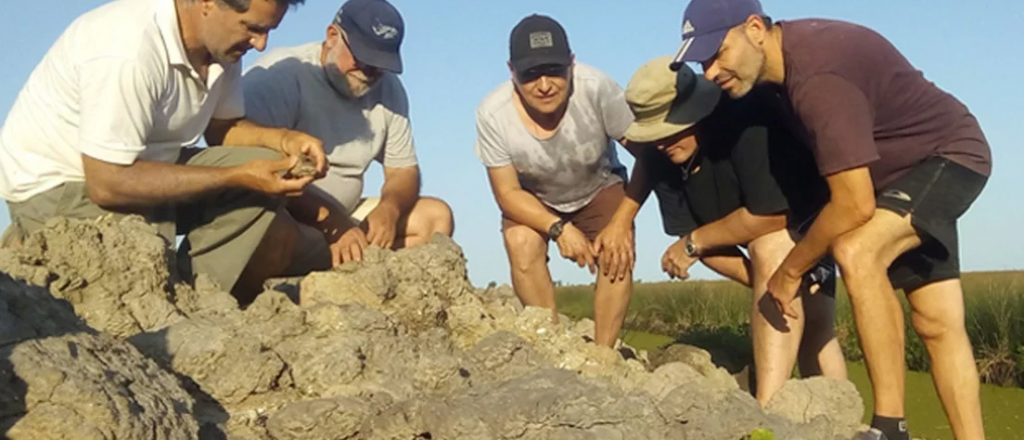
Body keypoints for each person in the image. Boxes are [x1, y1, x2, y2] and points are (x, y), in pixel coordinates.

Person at [670, 0, 992, 438]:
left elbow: (854, 205)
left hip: (946, 157)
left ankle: (889, 428)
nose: (710, 71)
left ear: (755, 28)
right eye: (702, 61)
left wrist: (789, 271)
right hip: (892, 179)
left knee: (857, 251)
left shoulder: (817, 77)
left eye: (718, 53)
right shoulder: (770, 78)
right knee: (935, 321)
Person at [0, 0, 328, 304]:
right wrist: (235, 176)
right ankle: (32, 243)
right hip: (65, 186)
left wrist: (283, 140)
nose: (260, 44)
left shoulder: (221, 46)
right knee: (141, 275)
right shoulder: (127, 49)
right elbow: (107, 183)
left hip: (141, 167)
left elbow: (222, 128)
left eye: (268, 30)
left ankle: (196, 298)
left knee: (268, 166)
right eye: (253, 28)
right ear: (208, 3)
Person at [597, 55, 846, 404]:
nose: (662, 143)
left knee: (811, 317)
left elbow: (770, 217)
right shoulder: (660, 158)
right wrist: (765, 280)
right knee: (774, 276)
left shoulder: (745, 125)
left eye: (670, 131)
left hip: (807, 220)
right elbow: (694, 243)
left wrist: (695, 242)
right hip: (762, 242)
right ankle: (776, 409)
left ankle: (779, 409)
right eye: (654, 136)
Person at [241, 0, 454, 272]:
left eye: (380, 65)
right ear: (332, 36)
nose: (370, 73)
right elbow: (255, 171)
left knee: (435, 218)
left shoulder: (389, 91)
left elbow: (403, 171)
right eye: (363, 60)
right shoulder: (281, 75)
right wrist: (329, 221)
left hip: (348, 220)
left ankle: (356, 284)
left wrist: (390, 208)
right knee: (270, 231)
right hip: (291, 216)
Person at [473, 14, 635, 347]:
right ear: (511, 72)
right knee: (520, 241)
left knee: (617, 250)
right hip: (534, 197)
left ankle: (603, 354)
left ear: (571, 64)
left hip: (599, 184)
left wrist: (622, 222)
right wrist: (559, 228)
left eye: (554, 71)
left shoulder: (598, 88)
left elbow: (649, 156)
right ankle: (551, 344)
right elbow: (507, 193)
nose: (545, 85)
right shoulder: (493, 114)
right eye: (530, 75)